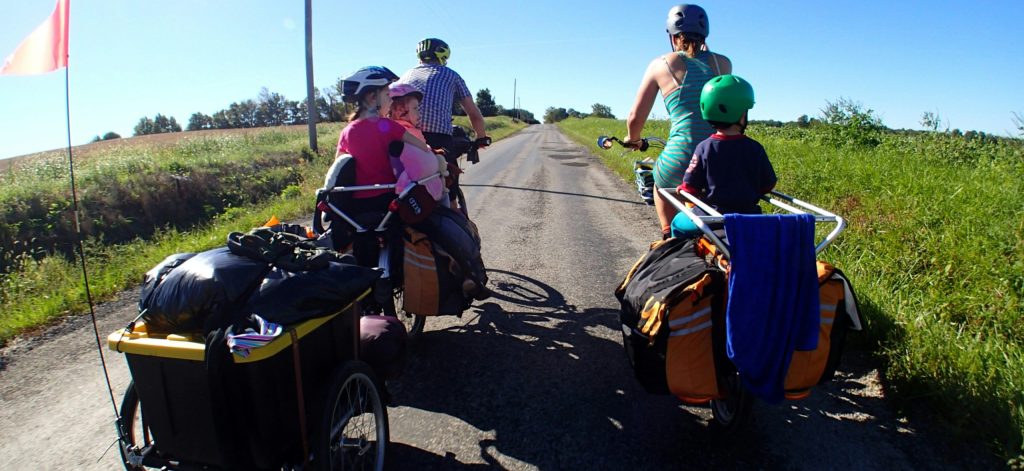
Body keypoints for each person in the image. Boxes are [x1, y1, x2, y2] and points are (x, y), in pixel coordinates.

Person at [623, 4, 732, 239]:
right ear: (705, 35)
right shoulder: (723, 63)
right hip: (720, 157)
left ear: (672, 36)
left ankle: (668, 238)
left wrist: (632, 139)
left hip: (679, 157)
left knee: (660, 184)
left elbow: (635, 117)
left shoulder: (660, 64)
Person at [335, 66, 431, 268]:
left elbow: (338, 170)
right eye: (387, 94)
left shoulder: (346, 132)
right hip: (387, 203)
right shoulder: (387, 126)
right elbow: (424, 149)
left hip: (355, 209)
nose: (390, 99)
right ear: (372, 98)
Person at [399, 38, 489, 209]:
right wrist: (481, 137)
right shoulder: (451, 75)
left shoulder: (406, 75)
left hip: (404, 138)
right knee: (449, 188)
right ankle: (453, 211)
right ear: (443, 56)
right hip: (438, 140)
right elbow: (474, 114)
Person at [679, 74, 776, 215]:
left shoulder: (704, 148)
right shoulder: (755, 148)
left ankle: (669, 234)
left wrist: (684, 189)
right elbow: (768, 184)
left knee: (677, 223)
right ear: (742, 114)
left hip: (712, 216)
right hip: (750, 217)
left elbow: (690, 187)